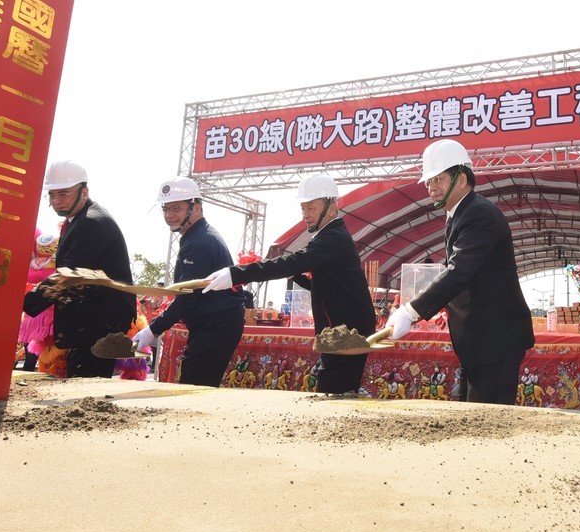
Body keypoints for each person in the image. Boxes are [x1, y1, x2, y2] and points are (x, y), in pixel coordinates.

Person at [385, 139, 534, 404]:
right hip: (480, 342)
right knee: (471, 414)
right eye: (429, 182)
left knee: (488, 419)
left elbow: (458, 271)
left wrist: (411, 311)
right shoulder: (461, 214)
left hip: (495, 340)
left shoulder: (479, 214)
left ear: (461, 179)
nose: (432, 188)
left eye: (438, 179)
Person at [202, 173, 376, 396]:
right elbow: (325, 285)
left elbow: (293, 262)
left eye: (311, 208)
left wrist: (237, 274)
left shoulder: (333, 238)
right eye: (303, 209)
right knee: (335, 388)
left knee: (336, 391)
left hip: (347, 331)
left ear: (332, 208)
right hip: (342, 328)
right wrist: (294, 273)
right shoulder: (330, 236)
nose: (306, 215)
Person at [23, 160, 135, 378]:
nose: (57, 201)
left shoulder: (92, 223)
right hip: (91, 321)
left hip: (99, 323)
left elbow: (68, 275)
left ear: (84, 191)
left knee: (87, 383)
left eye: (64, 194)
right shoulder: (79, 220)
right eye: (52, 195)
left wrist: (25, 302)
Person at [131, 178, 246, 387]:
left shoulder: (200, 242)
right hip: (213, 323)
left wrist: (151, 330)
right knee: (197, 383)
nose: (169, 215)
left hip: (216, 325)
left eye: (176, 208)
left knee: (194, 386)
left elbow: (187, 297)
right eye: (166, 209)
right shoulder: (196, 236)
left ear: (196, 208)